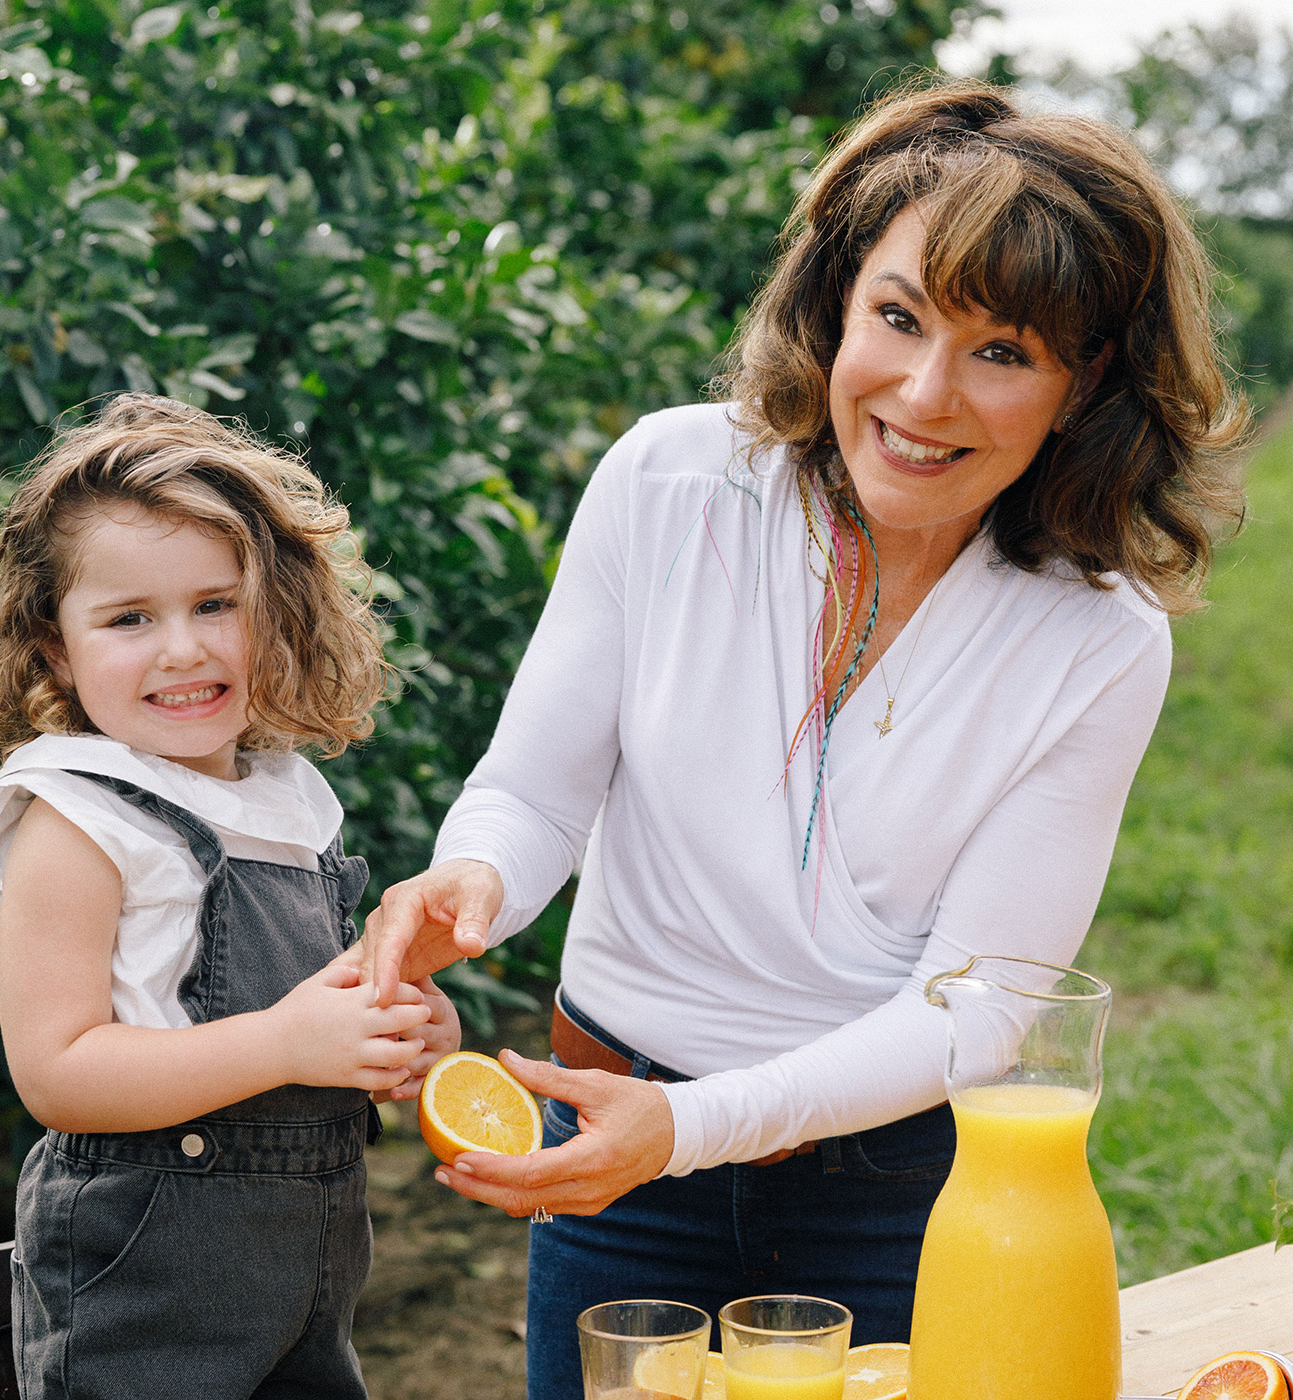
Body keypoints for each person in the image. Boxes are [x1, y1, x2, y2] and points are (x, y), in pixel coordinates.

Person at [361, 78, 1249, 1398]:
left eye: (1002, 351)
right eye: (897, 318)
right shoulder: (668, 485)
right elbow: (535, 795)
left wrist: (692, 1129)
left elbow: (985, 1004)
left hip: (885, 1185)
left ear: (1087, 380)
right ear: (836, 301)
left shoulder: (1099, 636)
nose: (926, 393)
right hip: (612, 1137)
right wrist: (469, 880)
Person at [0, 395, 460, 1400]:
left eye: (215, 603)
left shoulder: (284, 797)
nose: (181, 648)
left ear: (276, 609)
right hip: (143, 1293)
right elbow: (57, 1070)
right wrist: (286, 1045)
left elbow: (314, 1015)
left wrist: (388, 1030)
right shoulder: (72, 817)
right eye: (129, 618)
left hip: (304, 1290)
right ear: (56, 648)